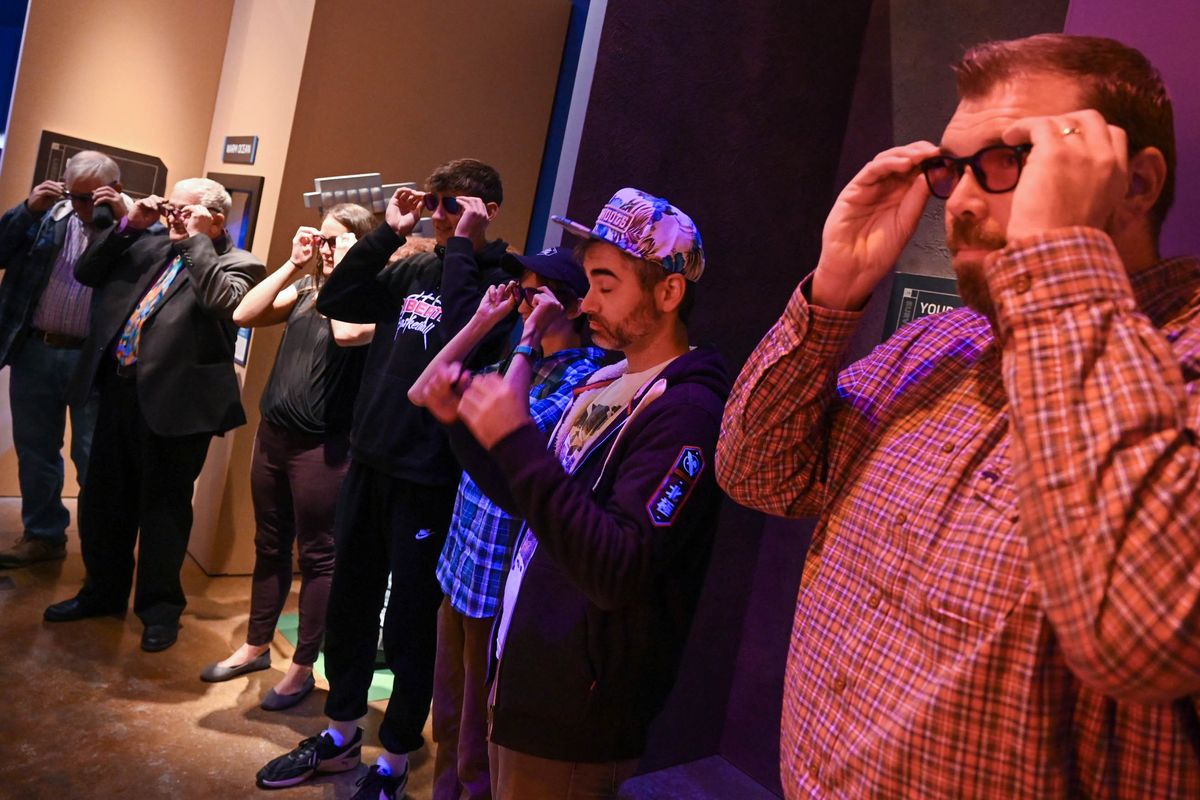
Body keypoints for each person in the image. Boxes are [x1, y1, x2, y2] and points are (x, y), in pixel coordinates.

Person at [717, 33, 1200, 797]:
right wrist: (834, 294)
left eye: (1011, 161)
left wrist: (1061, 265)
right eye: (955, 170)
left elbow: (1137, 632)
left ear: (1134, 183)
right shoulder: (939, 341)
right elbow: (760, 476)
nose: (964, 203)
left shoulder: (1184, 367)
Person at [426, 188, 729, 799]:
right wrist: (464, 429)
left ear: (668, 292)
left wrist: (514, 441)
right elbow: (533, 505)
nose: (585, 302)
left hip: (577, 713)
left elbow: (616, 566)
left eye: (606, 285)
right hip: (523, 674)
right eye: (588, 282)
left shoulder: (688, 412)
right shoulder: (604, 379)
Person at [255, 159, 518, 800]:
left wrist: (462, 245)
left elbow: (459, 330)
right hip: (370, 459)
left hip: (428, 474)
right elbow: (339, 300)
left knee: (408, 623)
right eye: (436, 203)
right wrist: (388, 234)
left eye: (454, 206)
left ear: (484, 210)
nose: (439, 214)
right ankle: (341, 734)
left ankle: (397, 757)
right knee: (350, 603)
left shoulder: (500, 281)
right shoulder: (414, 262)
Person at [409, 246, 605, 800]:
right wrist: (481, 321)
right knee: (445, 717)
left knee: (478, 741)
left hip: (498, 584)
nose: (522, 302)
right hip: (461, 562)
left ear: (570, 306)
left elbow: (508, 437)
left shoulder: (584, 379)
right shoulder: (517, 358)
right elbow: (423, 390)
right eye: (522, 290)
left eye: (534, 292)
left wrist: (525, 339)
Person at [43, 177, 265, 654]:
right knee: (104, 501)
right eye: (172, 210)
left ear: (216, 219)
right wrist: (129, 225)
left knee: (164, 513)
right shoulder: (150, 241)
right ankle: (101, 593)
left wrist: (197, 242)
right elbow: (88, 272)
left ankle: (160, 611)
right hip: (120, 393)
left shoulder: (240, 262)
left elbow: (224, 304)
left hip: (179, 406)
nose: (173, 219)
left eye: (185, 212)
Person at [198, 203, 376, 709]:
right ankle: (256, 646)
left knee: (319, 556)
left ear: (360, 245)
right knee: (270, 544)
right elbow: (243, 313)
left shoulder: (363, 299)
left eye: (335, 239)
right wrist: (295, 264)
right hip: (275, 435)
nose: (324, 246)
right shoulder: (306, 288)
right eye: (322, 238)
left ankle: (301, 667)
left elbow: (344, 334)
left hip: (323, 446)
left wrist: (347, 268)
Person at [0, 151, 130, 567]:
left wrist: (127, 224)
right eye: (77, 197)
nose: (84, 207)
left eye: (94, 198)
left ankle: (100, 548)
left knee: (93, 455)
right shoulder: (46, 218)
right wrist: (25, 210)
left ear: (116, 191)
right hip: (36, 350)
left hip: (93, 360)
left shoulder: (130, 230)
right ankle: (43, 534)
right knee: (36, 448)